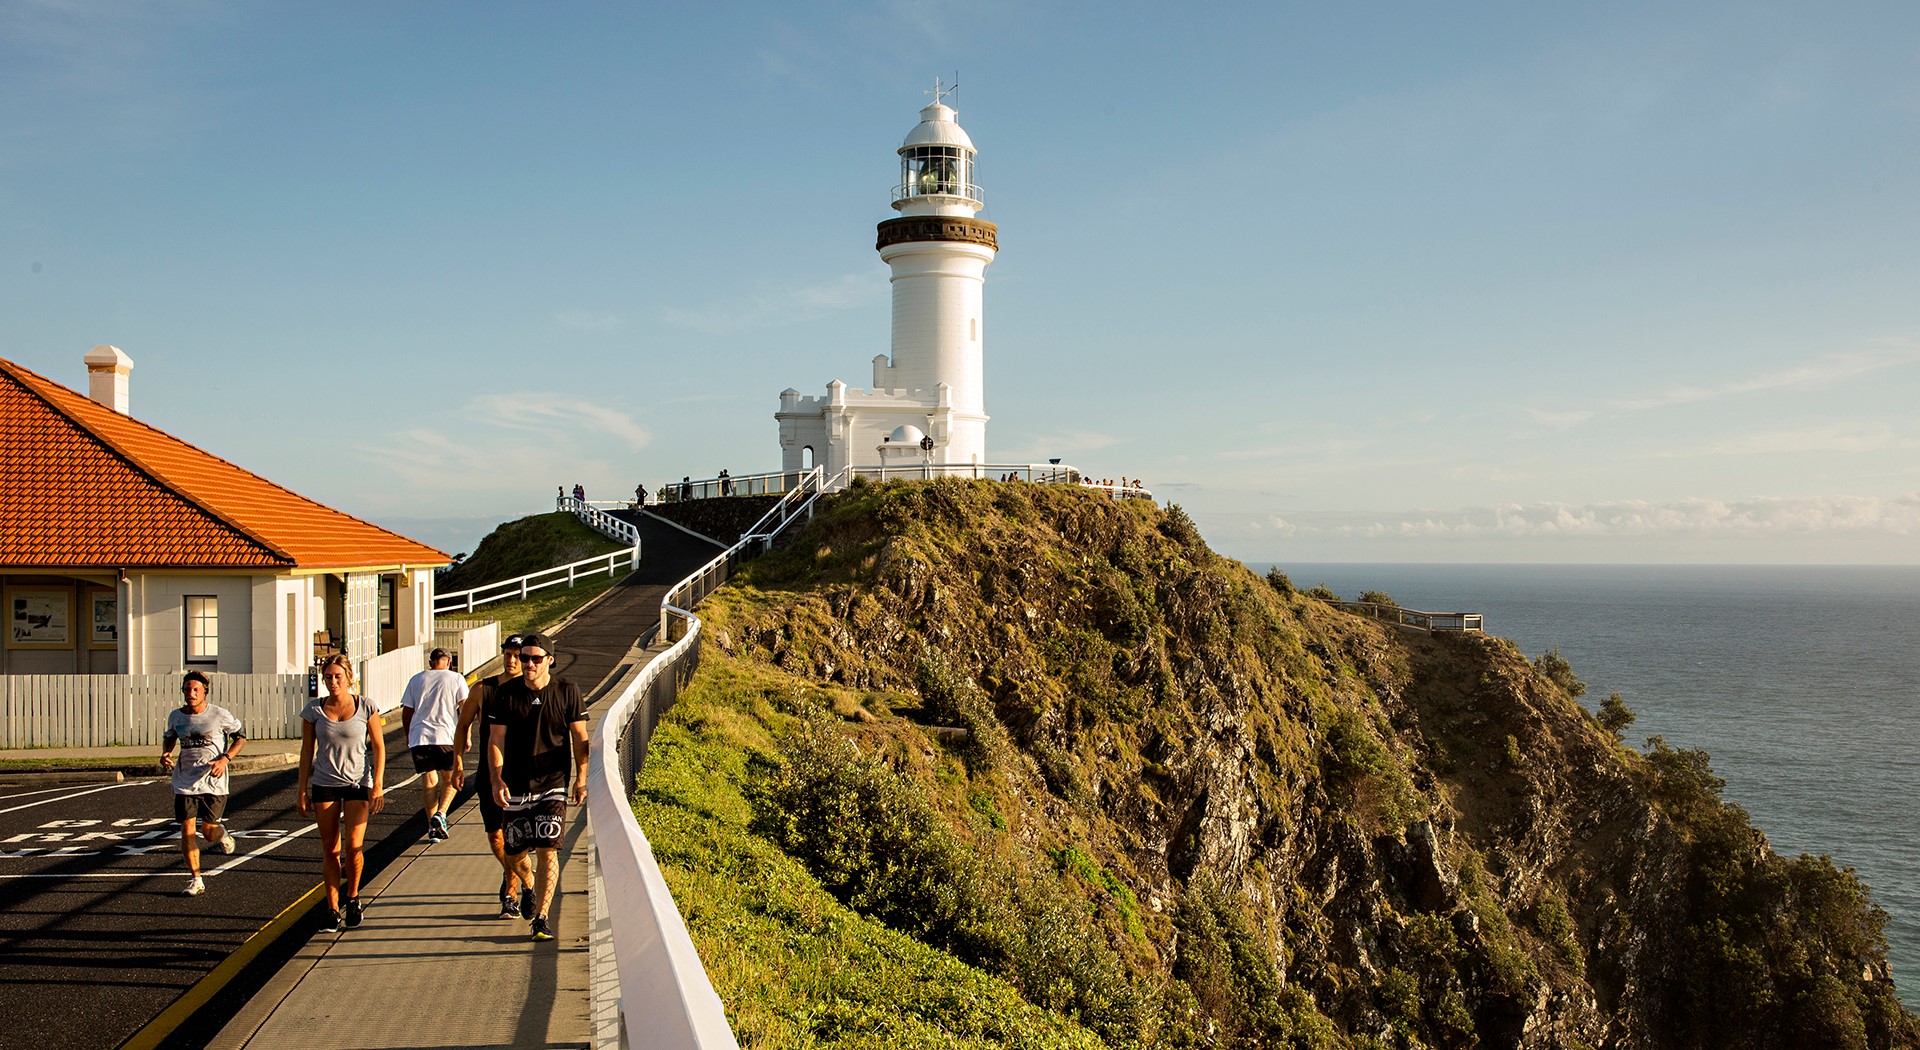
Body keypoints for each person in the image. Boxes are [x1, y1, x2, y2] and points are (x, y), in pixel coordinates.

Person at [486, 632, 588, 943]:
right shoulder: (505, 694)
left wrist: (581, 777)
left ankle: (541, 918)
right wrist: (496, 778)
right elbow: (496, 740)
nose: (526, 663)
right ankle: (527, 884)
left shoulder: (567, 691)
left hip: (552, 784)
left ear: (549, 661)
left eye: (534, 658)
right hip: (515, 784)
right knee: (514, 853)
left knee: (547, 849)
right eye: (523, 657)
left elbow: (580, 738)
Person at [299, 655, 386, 931]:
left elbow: (379, 747)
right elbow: (306, 751)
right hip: (325, 783)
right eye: (328, 677)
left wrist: (378, 784)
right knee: (330, 848)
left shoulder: (365, 706)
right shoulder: (314, 710)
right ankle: (332, 908)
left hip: (357, 784)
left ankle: (353, 897)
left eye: (338, 676)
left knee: (353, 847)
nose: (333, 682)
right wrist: (302, 789)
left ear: (349, 677)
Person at [455, 634, 534, 919]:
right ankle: (516, 875)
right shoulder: (482, 690)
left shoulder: (531, 690)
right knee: (495, 837)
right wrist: (458, 763)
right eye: (508, 654)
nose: (512, 660)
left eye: (518, 655)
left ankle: (511, 895)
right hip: (489, 776)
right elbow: (463, 725)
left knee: (514, 837)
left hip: (520, 777)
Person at [160, 671, 246, 897]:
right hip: (185, 781)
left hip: (213, 780)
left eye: (196, 689)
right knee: (187, 830)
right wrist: (166, 752)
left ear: (205, 692)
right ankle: (196, 879)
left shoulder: (219, 714)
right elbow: (170, 735)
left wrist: (224, 759)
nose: (191, 693)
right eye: (187, 689)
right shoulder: (176, 716)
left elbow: (241, 738)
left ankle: (222, 834)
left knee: (207, 831)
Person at [400, 647, 469, 842]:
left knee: (429, 783)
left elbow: (407, 712)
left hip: (420, 737)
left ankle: (432, 828)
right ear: (448, 662)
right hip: (446, 737)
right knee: (451, 780)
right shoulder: (456, 679)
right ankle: (441, 813)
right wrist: (467, 736)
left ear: (430, 662)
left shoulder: (416, 679)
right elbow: (465, 710)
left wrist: (408, 735)